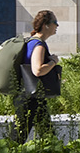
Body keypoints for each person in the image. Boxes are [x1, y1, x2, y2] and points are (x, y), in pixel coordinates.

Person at [15, 9, 62, 142]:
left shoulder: (32, 41)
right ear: (46, 25)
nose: (57, 26)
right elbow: (38, 70)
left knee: (47, 136)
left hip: (32, 96)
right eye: (55, 22)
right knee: (18, 138)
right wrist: (53, 61)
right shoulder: (38, 44)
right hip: (31, 99)